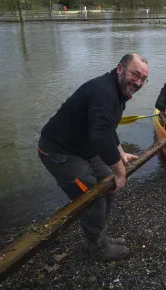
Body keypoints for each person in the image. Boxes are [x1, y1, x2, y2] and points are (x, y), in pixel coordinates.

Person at [37, 53, 150, 262]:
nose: (138, 82)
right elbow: (100, 134)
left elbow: (107, 128)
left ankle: (100, 237)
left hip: (84, 147)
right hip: (58, 152)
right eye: (135, 75)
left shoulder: (119, 93)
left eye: (143, 79)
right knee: (93, 197)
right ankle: (98, 249)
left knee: (108, 185)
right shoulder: (103, 92)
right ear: (119, 69)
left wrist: (120, 152)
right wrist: (121, 170)